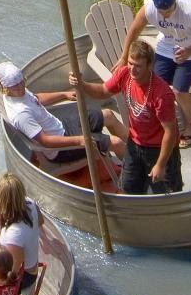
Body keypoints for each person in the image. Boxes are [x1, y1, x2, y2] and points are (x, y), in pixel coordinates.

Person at [70, 40, 182, 194]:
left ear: (150, 66)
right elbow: (103, 91)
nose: (132, 69)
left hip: (159, 149)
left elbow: (171, 132)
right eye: (130, 63)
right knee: (128, 188)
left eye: (138, 66)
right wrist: (82, 84)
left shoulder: (162, 94)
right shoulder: (124, 74)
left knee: (165, 194)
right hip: (135, 144)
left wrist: (161, 164)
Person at [113, 0, 191, 149]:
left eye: (169, 10)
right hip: (167, 47)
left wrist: (189, 51)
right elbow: (134, 30)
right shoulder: (149, 8)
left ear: (174, 2)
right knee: (153, 86)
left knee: (179, 90)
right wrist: (124, 57)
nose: (166, 15)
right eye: (162, 11)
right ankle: (159, 127)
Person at [0, 61, 128, 162]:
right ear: (4, 87)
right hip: (60, 150)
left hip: (61, 126)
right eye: (15, 85)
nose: (21, 87)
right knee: (117, 143)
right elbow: (45, 141)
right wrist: (79, 141)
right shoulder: (20, 114)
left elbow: (35, 98)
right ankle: (132, 171)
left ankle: (136, 147)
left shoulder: (17, 93)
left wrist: (63, 94)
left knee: (108, 115)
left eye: (21, 82)